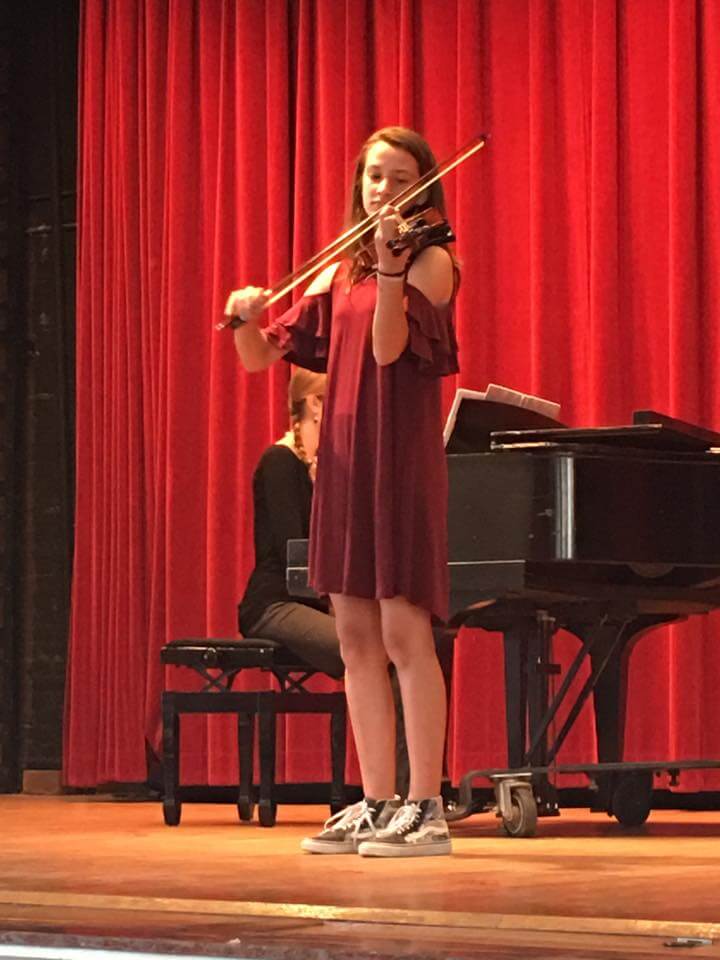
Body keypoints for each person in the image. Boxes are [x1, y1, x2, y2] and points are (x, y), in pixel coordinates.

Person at [225, 126, 459, 858]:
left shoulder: (432, 261)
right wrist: (243, 315)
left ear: (423, 185)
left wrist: (391, 275)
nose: (381, 190)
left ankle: (427, 805)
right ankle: (376, 799)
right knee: (356, 639)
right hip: (347, 466)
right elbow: (262, 357)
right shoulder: (341, 272)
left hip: (398, 464)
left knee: (403, 633)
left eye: (396, 177)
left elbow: (390, 350)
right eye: (372, 177)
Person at [238, 369, 344, 680]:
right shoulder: (279, 461)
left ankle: (395, 731)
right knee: (365, 647)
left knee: (405, 646)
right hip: (274, 602)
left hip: (312, 603)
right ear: (315, 404)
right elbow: (294, 554)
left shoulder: (325, 467)